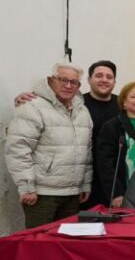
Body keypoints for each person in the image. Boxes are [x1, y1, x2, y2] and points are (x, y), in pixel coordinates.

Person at [14, 60, 119, 208]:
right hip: (75, 183)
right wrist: (27, 97)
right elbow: (19, 147)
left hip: (106, 181)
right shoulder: (80, 104)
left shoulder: (122, 105)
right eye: (99, 75)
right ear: (89, 80)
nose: (104, 80)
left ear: (114, 81)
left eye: (109, 77)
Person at [5, 63, 93, 228]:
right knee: (38, 243)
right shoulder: (32, 106)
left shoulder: (82, 111)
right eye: (63, 80)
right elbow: (18, 149)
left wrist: (85, 184)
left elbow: (86, 151)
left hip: (72, 194)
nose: (68, 85)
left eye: (74, 82)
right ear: (52, 80)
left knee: (66, 244)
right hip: (42, 194)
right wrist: (26, 186)